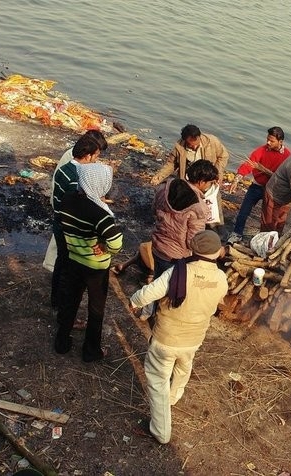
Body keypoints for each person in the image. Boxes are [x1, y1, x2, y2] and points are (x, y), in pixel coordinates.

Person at [129, 230, 228, 444]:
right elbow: (217, 302)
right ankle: (174, 396)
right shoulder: (221, 277)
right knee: (184, 366)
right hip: (194, 339)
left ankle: (161, 431)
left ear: (192, 248)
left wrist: (134, 300)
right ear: (217, 252)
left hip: (167, 338)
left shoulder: (177, 272)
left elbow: (149, 293)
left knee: (157, 380)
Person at [54, 163, 123, 362]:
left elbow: (61, 219)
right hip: (96, 267)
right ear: (101, 184)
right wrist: (105, 246)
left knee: (70, 301)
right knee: (96, 308)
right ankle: (91, 350)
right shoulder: (101, 215)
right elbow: (116, 243)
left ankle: (62, 342)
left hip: (73, 259)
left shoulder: (67, 200)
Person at [50, 134, 107, 313]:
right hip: (69, 228)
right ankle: (64, 310)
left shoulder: (64, 168)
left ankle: (55, 300)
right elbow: (80, 207)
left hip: (59, 222)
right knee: (70, 271)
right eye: (96, 156)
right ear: (88, 155)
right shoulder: (77, 177)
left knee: (61, 262)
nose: (96, 160)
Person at [150, 124, 229, 234]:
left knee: (214, 209)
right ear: (185, 140)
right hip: (190, 181)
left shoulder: (212, 141)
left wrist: (217, 173)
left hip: (208, 180)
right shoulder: (179, 147)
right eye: (190, 146)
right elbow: (172, 164)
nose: (194, 147)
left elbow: (223, 156)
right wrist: (159, 177)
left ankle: (217, 232)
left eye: (195, 145)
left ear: (199, 137)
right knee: (191, 208)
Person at [151, 159, 219, 281]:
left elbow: (154, 210)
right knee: (169, 290)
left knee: (158, 279)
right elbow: (194, 241)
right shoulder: (198, 208)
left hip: (157, 246)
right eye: (210, 183)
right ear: (202, 182)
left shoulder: (166, 186)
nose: (209, 186)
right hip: (176, 256)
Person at [227, 126, 291, 244]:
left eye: (271, 141)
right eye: (267, 139)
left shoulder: (287, 156)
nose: (268, 142)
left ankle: (266, 240)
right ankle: (237, 234)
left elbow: (285, 177)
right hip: (256, 186)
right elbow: (248, 164)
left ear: (280, 141)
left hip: (272, 191)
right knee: (244, 211)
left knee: (269, 218)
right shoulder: (262, 150)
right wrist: (236, 180)